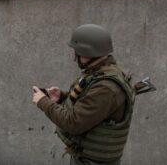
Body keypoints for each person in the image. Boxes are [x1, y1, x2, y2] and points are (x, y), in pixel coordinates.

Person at [32, 24, 135, 165]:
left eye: (77, 52)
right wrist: (61, 97)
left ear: (86, 52)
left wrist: (43, 102)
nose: (76, 56)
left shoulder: (106, 88)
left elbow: (73, 123)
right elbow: (88, 103)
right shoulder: (100, 72)